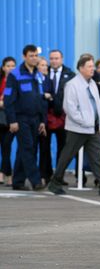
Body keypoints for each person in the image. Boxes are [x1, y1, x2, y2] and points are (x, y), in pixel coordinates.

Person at [47, 55, 100, 197]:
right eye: (89, 67)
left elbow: (97, 106)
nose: (93, 69)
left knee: (98, 158)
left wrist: (99, 123)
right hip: (77, 129)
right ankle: (55, 183)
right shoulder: (72, 85)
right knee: (67, 156)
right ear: (81, 68)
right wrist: (85, 122)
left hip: (93, 129)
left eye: (93, 66)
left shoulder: (92, 84)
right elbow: (70, 108)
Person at [4, 45, 47, 191]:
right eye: (31, 55)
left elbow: (41, 99)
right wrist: (12, 120)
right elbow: (9, 99)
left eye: (36, 55)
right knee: (27, 147)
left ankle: (17, 181)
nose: (34, 58)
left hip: (35, 118)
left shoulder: (38, 74)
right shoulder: (15, 75)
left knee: (26, 149)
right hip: (20, 118)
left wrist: (42, 120)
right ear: (24, 57)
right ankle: (35, 181)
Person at [39, 50, 76, 185]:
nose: (53, 61)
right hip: (46, 117)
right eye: (51, 58)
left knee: (63, 148)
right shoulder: (43, 72)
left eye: (56, 58)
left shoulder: (70, 74)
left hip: (62, 117)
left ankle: (59, 176)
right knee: (44, 148)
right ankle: (46, 175)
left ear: (62, 58)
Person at [0, 56, 16, 186]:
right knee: (3, 147)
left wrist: (4, 101)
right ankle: (6, 174)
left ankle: (6, 175)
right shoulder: (1, 81)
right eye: (8, 66)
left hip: (11, 119)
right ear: (3, 67)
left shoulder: (17, 81)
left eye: (13, 66)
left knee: (7, 146)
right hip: (0, 118)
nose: (11, 68)